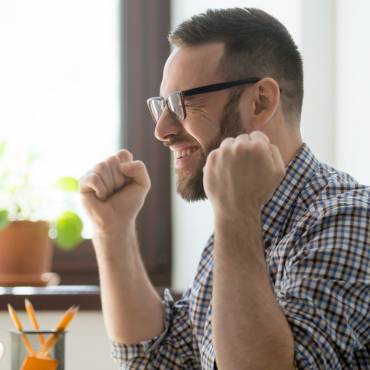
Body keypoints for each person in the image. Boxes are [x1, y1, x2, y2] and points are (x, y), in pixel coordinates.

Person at [79, 7, 370, 370]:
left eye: (181, 102)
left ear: (260, 100)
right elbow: (158, 360)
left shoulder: (351, 219)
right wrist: (114, 230)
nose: (163, 130)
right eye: (161, 106)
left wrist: (236, 214)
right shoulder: (238, 228)